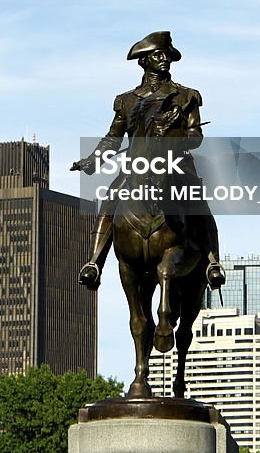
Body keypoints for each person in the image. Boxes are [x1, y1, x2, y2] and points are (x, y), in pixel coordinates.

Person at [71, 31, 226, 291]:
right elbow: (113, 138)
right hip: (138, 166)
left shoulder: (186, 96)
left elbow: (195, 136)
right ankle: (94, 262)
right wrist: (92, 161)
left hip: (175, 164)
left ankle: (212, 262)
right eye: (158, 55)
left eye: (167, 55)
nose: (164, 59)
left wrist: (171, 142)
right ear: (144, 61)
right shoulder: (127, 100)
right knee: (111, 197)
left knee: (198, 202)